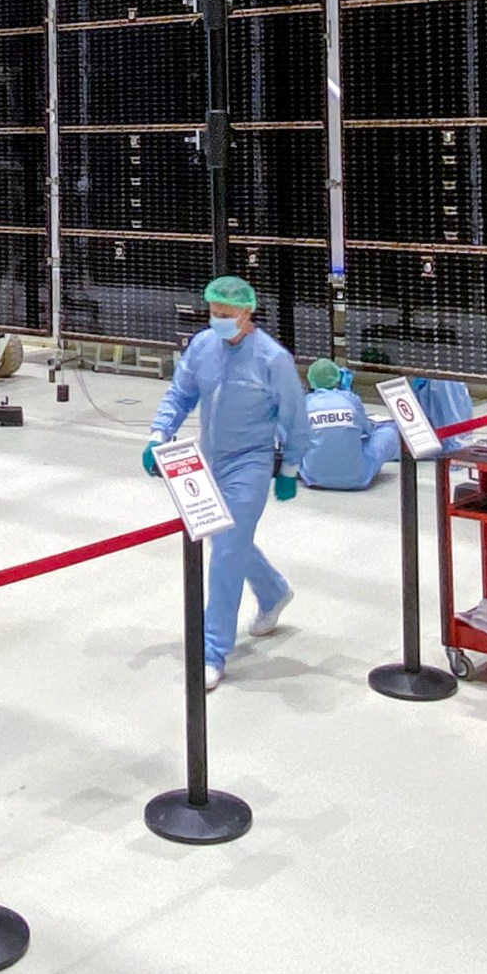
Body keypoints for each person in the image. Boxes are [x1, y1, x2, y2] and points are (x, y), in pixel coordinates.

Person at [143, 275, 308, 689]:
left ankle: (212, 651)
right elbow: (180, 393)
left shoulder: (273, 359)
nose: (219, 320)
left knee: (224, 554)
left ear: (247, 312)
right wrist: (158, 434)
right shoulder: (202, 346)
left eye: (226, 314)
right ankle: (272, 591)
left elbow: (294, 418)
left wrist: (289, 468)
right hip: (207, 459)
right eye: (214, 313)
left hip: (249, 464)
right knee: (224, 539)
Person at [295, 358, 401, 490]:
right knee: (388, 432)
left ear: (311, 380)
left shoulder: (304, 404)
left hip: (313, 476)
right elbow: (367, 431)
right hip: (357, 477)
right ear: (337, 378)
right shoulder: (350, 399)